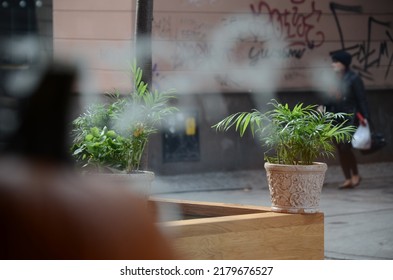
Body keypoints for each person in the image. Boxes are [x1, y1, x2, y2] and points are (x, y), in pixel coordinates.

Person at [322, 50, 370, 189]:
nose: (333, 65)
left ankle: (355, 175)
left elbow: (361, 99)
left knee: (346, 147)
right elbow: (329, 98)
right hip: (335, 118)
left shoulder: (353, 79)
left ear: (344, 63)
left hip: (350, 118)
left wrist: (366, 117)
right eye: (333, 62)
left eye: (336, 62)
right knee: (340, 148)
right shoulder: (334, 79)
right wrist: (323, 107)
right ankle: (347, 178)